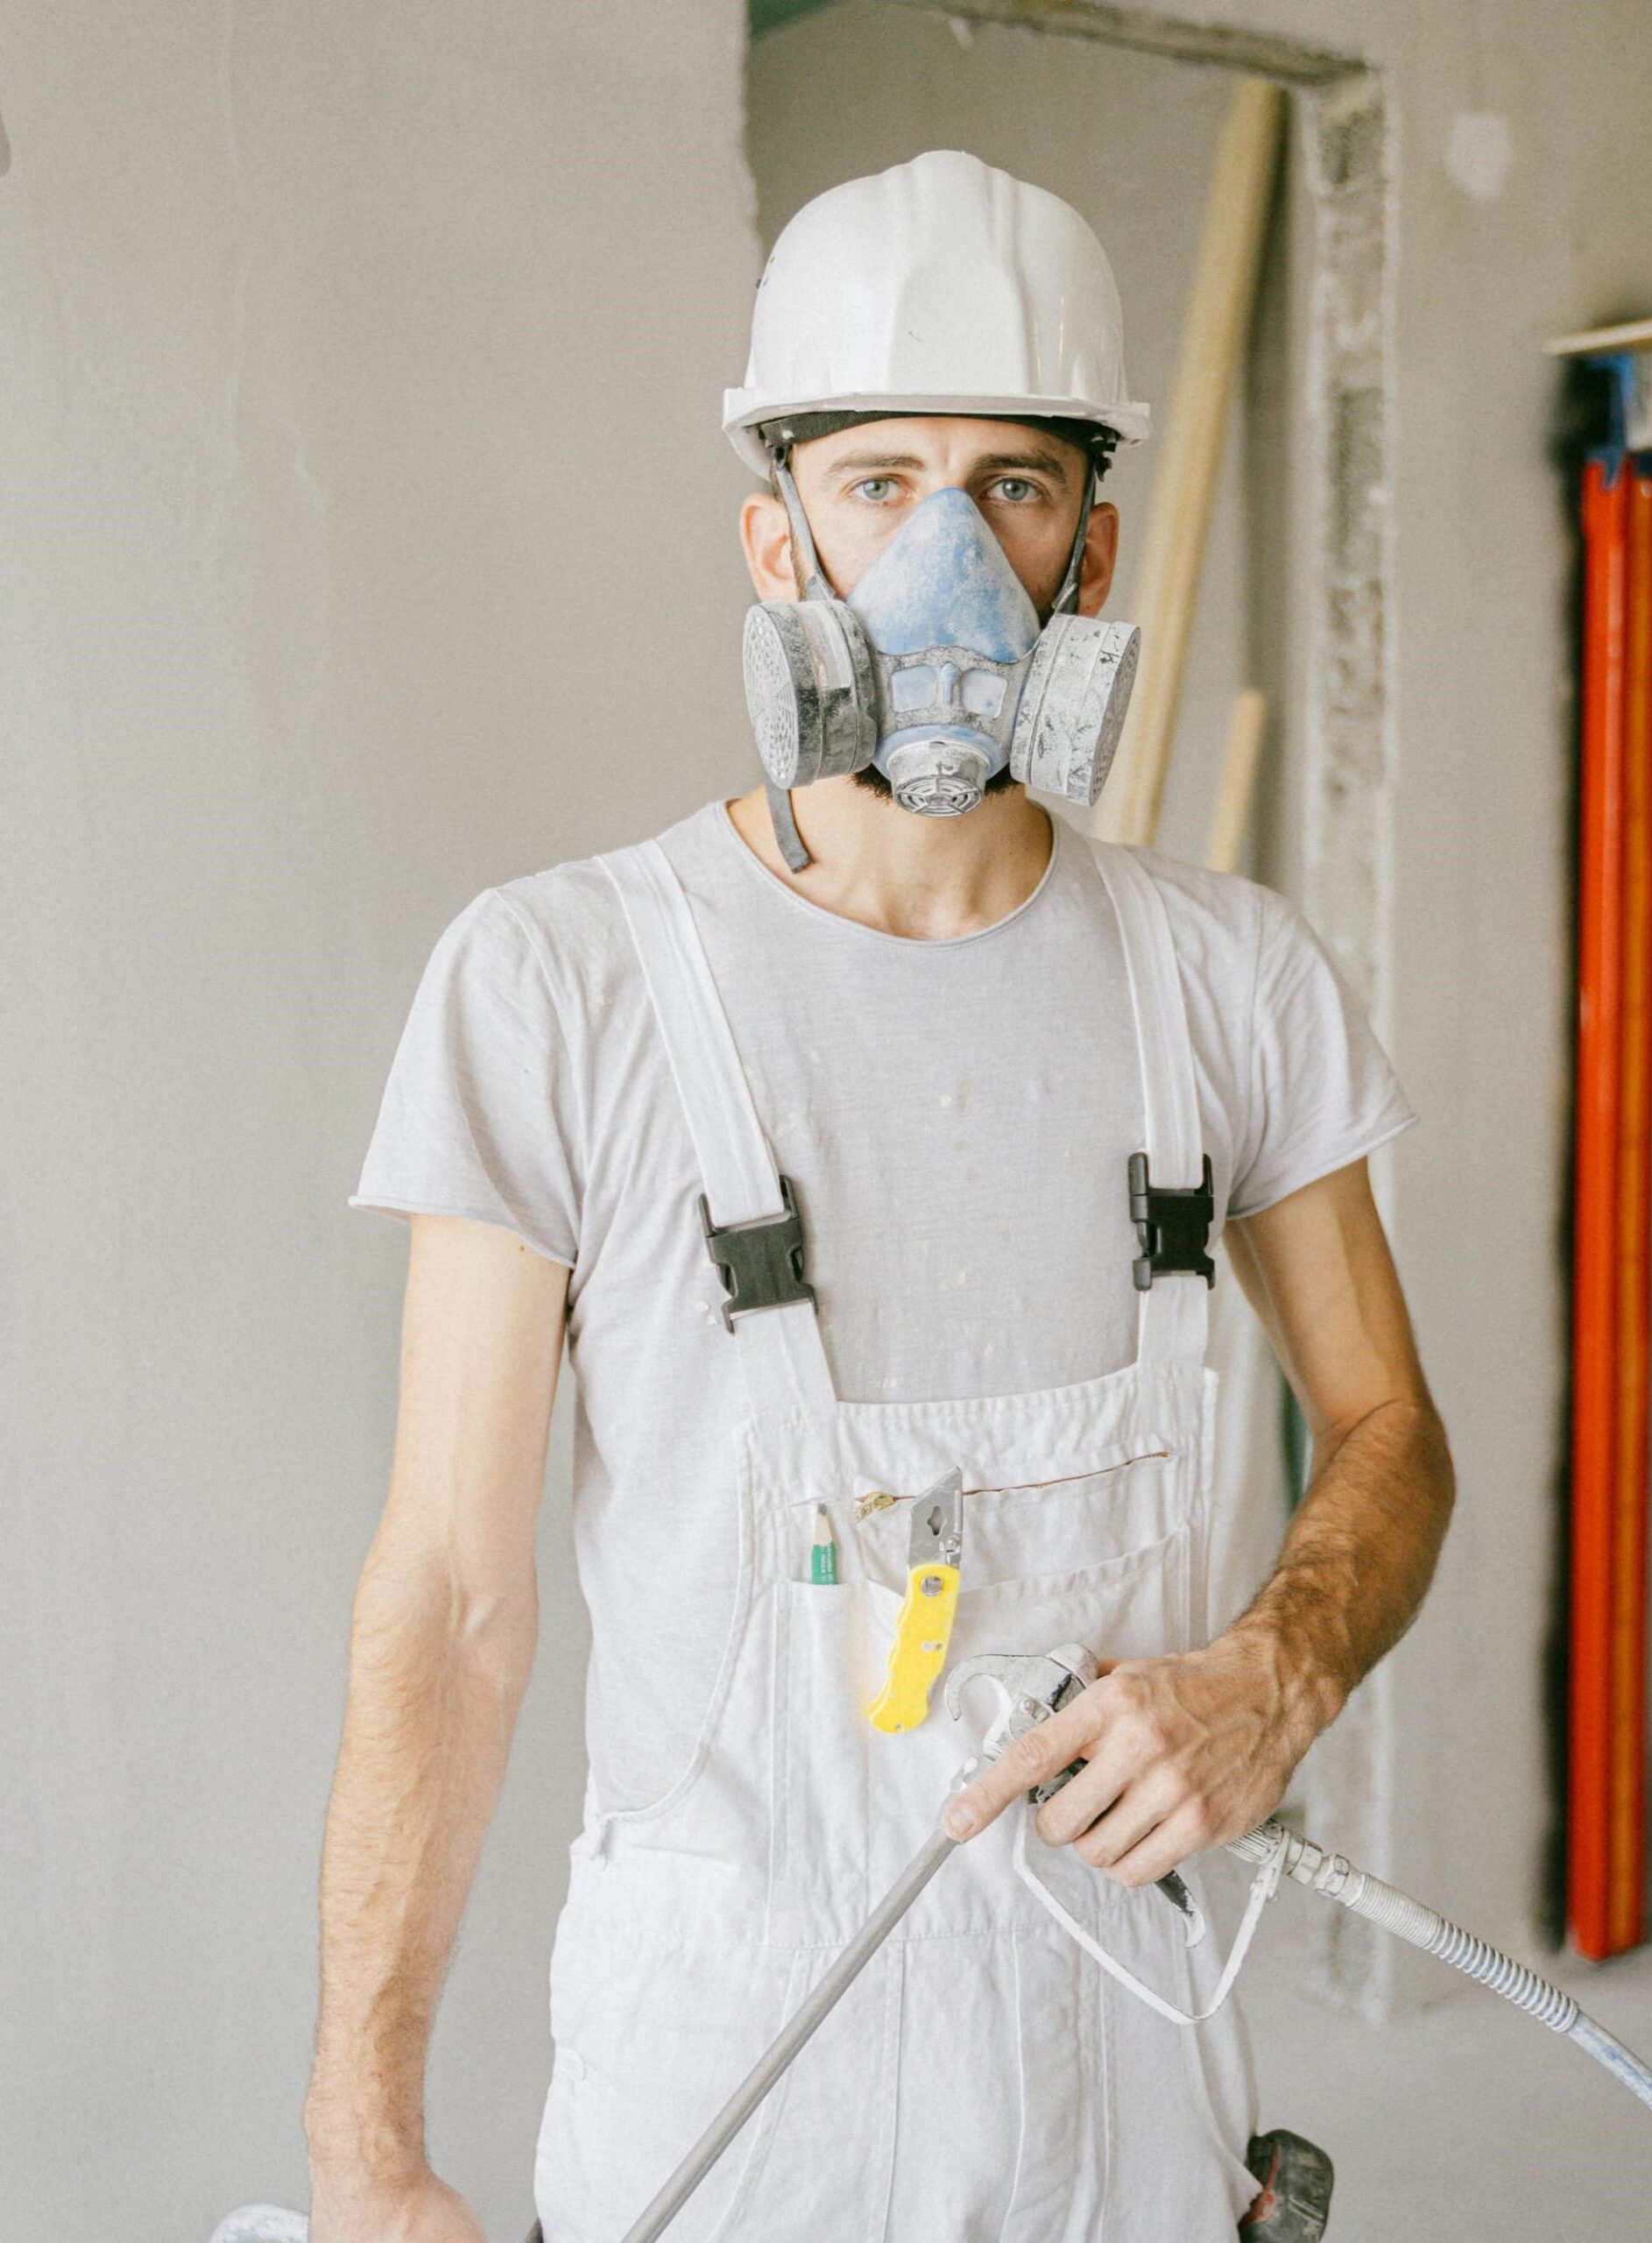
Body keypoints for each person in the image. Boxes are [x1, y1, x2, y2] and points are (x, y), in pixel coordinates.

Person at [304, 149, 1454, 2243]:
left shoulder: (1230, 979)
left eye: (1013, 487)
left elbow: (1389, 1433)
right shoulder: (560, 980)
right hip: (728, 2104)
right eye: (879, 484)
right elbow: (451, 1606)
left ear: (1091, 554)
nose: (951, 562)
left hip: (1129, 2077)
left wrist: (1273, 1672)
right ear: (776, 539)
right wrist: (365, 2145)